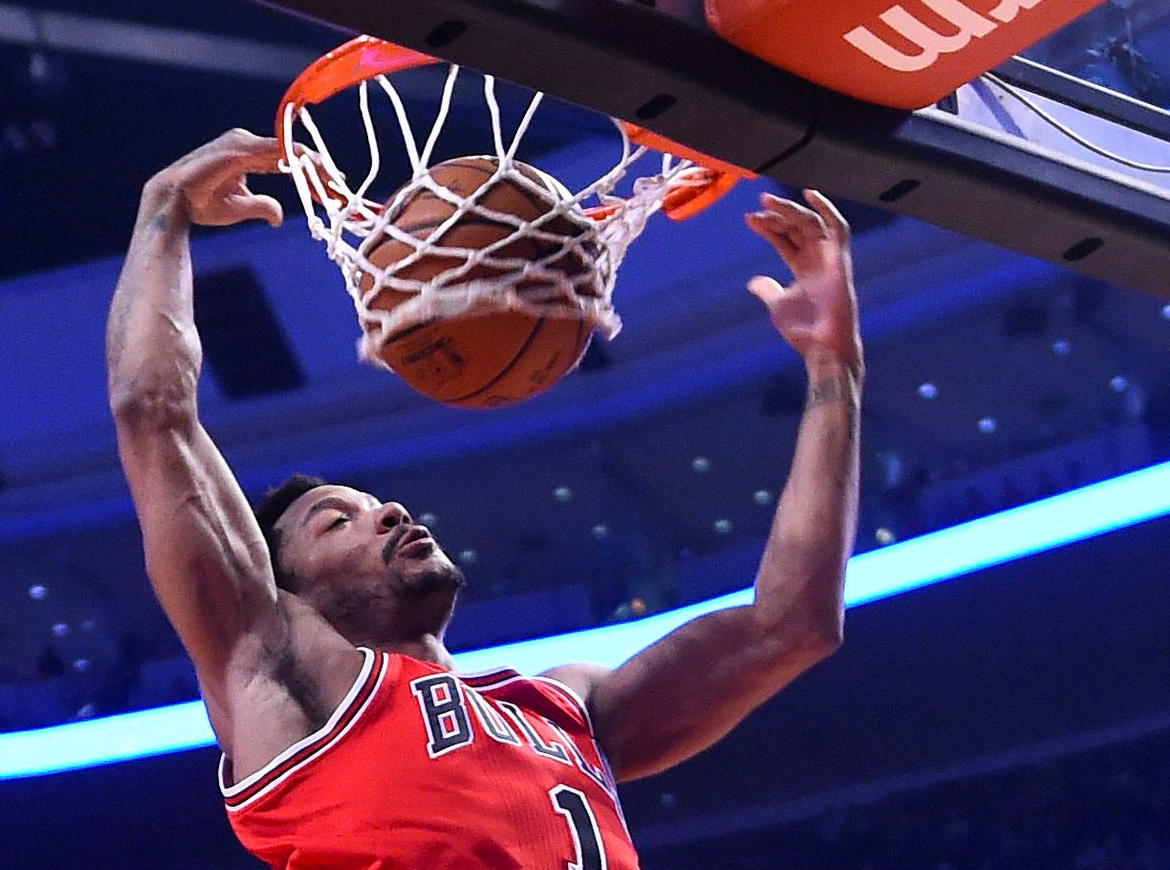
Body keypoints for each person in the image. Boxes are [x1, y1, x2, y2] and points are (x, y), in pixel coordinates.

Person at [107, 128, 862, 870]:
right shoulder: (278, 668)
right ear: (288, 592)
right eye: (338, 522)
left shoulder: (566, 706)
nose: (389, 513)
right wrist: (164, 208)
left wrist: (836, 368)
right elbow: (153, 411)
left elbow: (790, 625)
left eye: (374, 503)